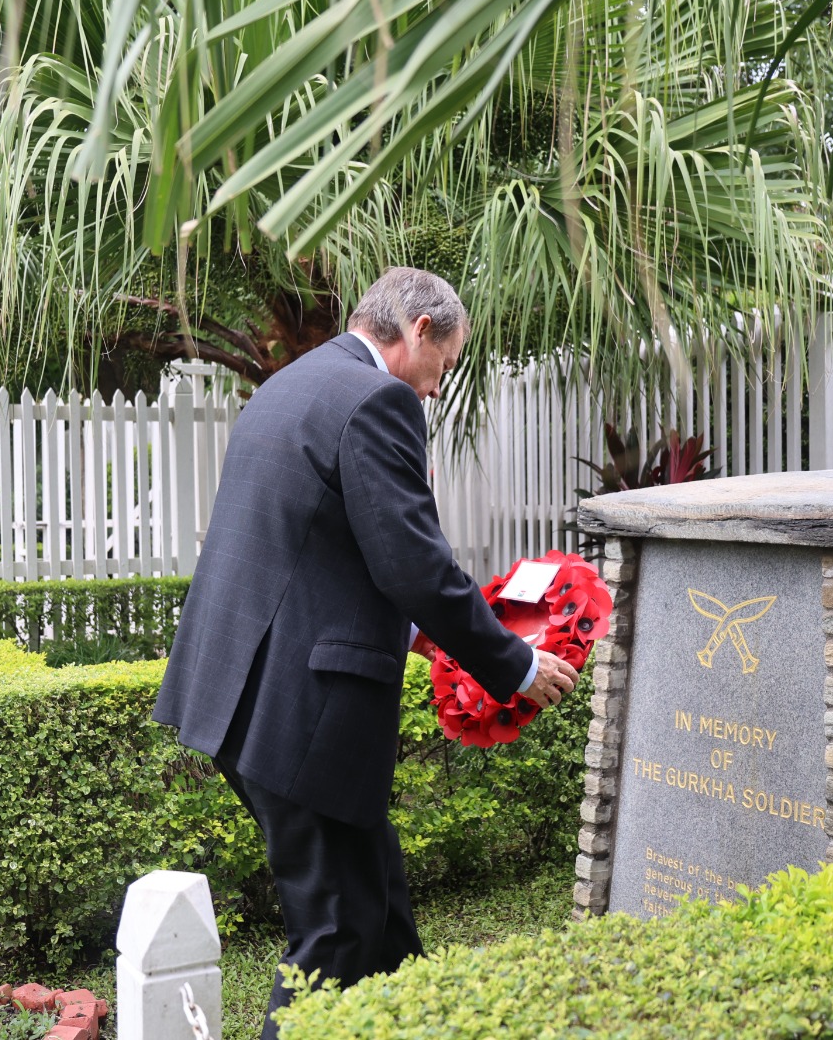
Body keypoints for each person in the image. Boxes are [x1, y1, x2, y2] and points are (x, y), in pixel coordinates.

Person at [153, 267, 580, 1038]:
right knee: (338, 933)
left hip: (240, 697)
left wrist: (421, 638)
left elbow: (325, 550)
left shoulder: (294, 384)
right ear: (419, 330)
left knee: (379, 910)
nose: (439, 388)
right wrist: (513, 663)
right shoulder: (379, 399)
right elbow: (414, 564)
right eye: (445, 364)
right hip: (300, 713)